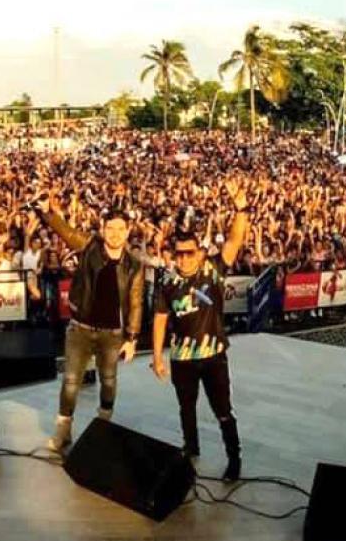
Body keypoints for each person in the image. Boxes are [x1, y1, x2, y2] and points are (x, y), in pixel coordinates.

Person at [151, 180, 251, 481]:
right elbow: (160, 319)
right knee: (186, 408)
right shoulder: (167, 282)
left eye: (189, 253)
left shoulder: (213, 271)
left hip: (213, 354)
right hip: (181, 357)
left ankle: (234, 457)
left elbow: (233, 241)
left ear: (199, 253)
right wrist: (157, 356)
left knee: (223, 409)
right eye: (179, 253)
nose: (184, 258)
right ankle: (190, 447)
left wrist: (241, 208)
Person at [36, 196, 144, 452]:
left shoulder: (134, 266)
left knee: (108, 381)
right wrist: (48, 214)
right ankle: (63, 430)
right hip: (80, 329)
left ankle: (103, 426)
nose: (116, 234)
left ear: (128, 231)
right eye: (111, 228)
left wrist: (132, 338)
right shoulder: (90, 246)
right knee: (71, 381)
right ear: (103, 228)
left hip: (112, 334)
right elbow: (67, 232)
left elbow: (136, 302)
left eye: (121, 229)